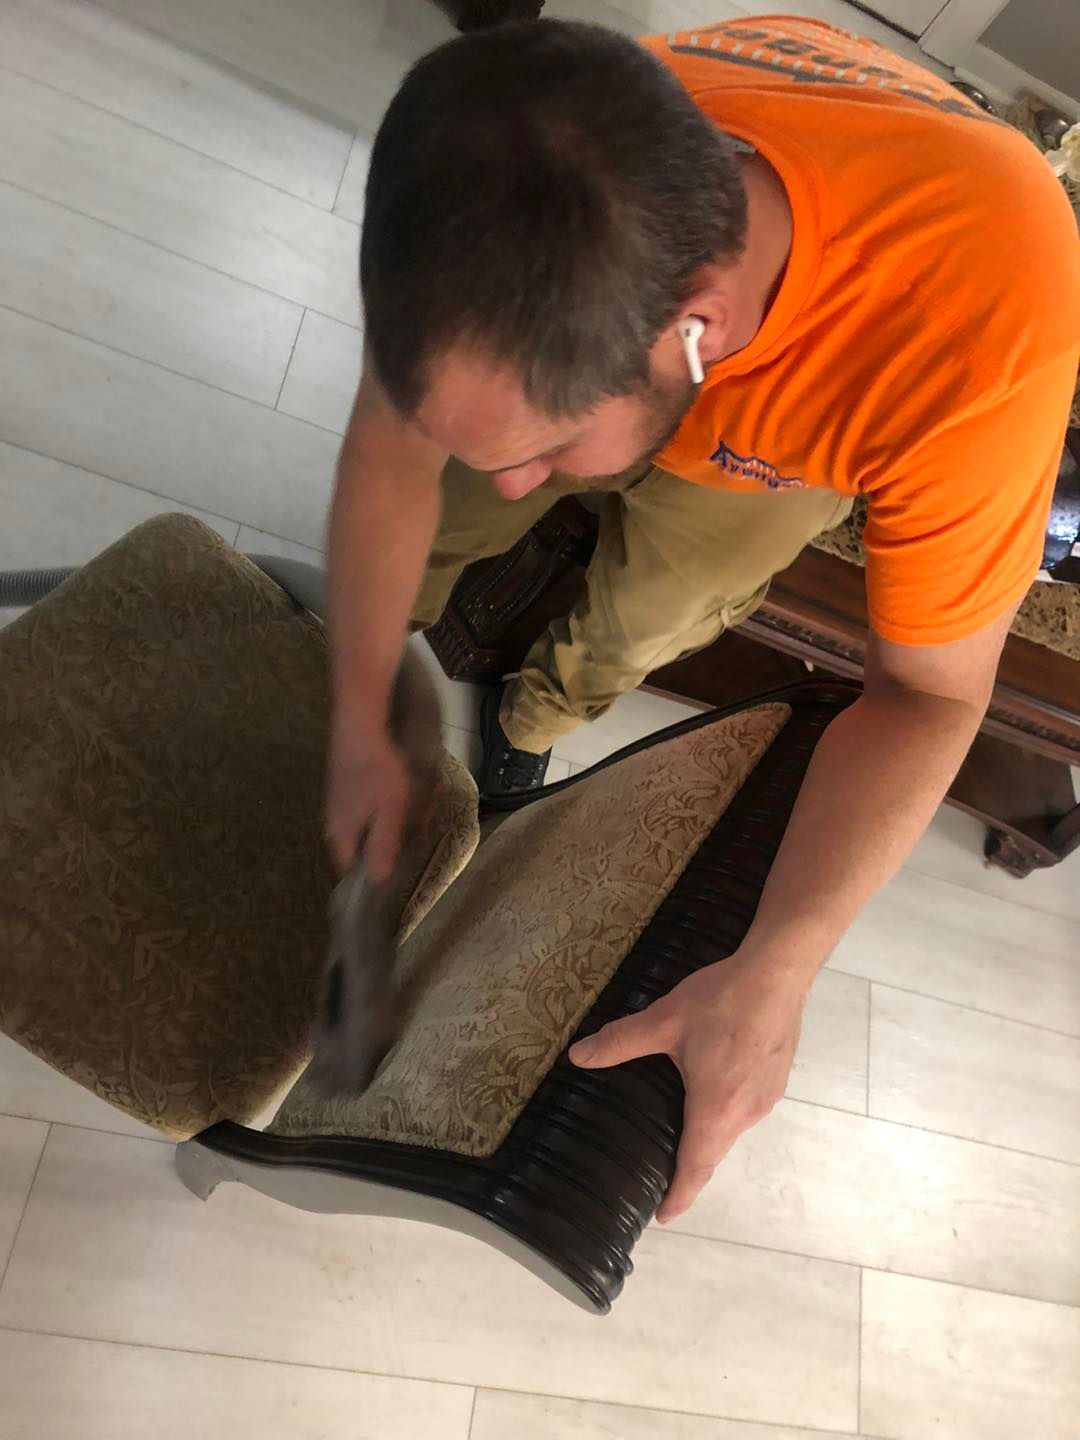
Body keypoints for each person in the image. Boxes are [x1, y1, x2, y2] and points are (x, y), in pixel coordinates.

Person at [324, 16, 1080, 1221]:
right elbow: (390, 448)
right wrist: (360, 707)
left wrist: (778, 969)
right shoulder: (506, 170)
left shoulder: (977, 341)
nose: (526, 485)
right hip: (656, 330)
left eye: (548, 452)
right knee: (447, 497)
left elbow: (933, 694)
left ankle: (534, 717)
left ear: (701, 332)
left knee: (648, 610)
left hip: (836, 387)